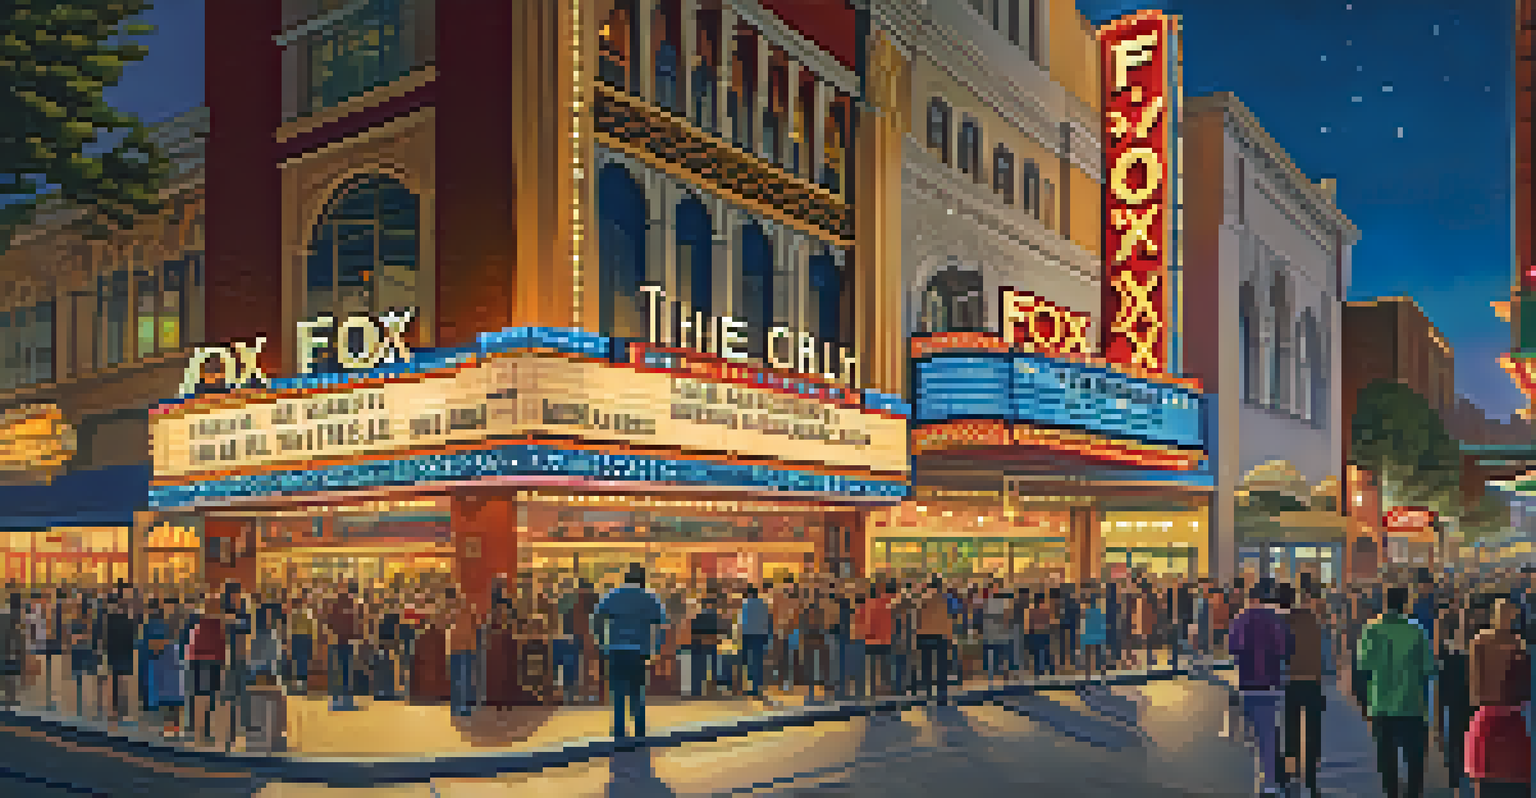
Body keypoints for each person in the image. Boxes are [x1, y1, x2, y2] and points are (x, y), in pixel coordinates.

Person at [1358, 585, 1438, 798]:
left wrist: (1364, 704)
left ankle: (1391, 793)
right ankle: (1413, 793)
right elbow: (1428, 668)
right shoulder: (1416, 629)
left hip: (1381, 704)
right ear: (1405, 603)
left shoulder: (1371, 629)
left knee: (1387, 759)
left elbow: (1363, 667)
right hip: (1412, 704)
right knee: (1415, 759)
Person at [1228, 579, 1293, 796]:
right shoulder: (1275, 620)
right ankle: (1270, 783)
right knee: (1268, 735)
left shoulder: (1240, 619)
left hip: (1247, 683)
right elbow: (1285, 649)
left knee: (1250, 737)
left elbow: (1233, 649)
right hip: (1271, 683)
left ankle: (1251, 782)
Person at [592, 564, 667, 739]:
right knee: (637, 692)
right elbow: (662, 625)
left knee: (618, 692)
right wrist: (655, 648)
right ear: (643, 580)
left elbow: (596, 618)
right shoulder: (649, 598)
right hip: (639, 652)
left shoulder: (613, 595)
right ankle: (639, 730)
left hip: (616, 650)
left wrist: (602, 642)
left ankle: (619, 730)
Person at [1465, 599, 1531, 797]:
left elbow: (1475, 690)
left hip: (1497, 716)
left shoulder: (1509, 642)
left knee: (1490, 778)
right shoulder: (1514, 643)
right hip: (1502, 716)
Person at [1280, 585, 1326, 798]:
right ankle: (1312, 770)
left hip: (1291, 680)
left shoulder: (1283, 622)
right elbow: (1324, 647)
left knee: (1291, 726)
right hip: (1313, 680)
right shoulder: (1313, 620)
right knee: (1313, 727)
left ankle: (1293, 768)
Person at [1436, 603, 1473, 797]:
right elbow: (1441, 685)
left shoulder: (1453, 650)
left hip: (1464, 702)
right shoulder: (1449, 651)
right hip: (1459, 701)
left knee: (1458, 742)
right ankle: (1457, 779)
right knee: (1457, 742)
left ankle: (1458, 779)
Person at [916, 577, 952, 703]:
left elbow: (916, 614)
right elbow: (954, 613)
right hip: (942, 634)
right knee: (941, 663)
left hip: (924, 633)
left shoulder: (922, 598)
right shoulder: (946, 598)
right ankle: (942, 692)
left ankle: (927, 691)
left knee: (926, 663)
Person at [738, 584, 772, 698]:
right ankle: (757, 686)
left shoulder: (746, 605)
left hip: (748, 635)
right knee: (758, 661)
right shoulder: (764, 605)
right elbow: (768, 621)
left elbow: (743, 622)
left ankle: (751, 686)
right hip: (761, 635)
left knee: (748, 661)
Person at [0, 592, 24, 706]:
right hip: (6, 655)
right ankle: (9, 700)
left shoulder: (7, 617)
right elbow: (17, 642)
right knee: (9, 678)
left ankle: (9, 700)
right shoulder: (10, 619)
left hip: (6, 654)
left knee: (8, 678)